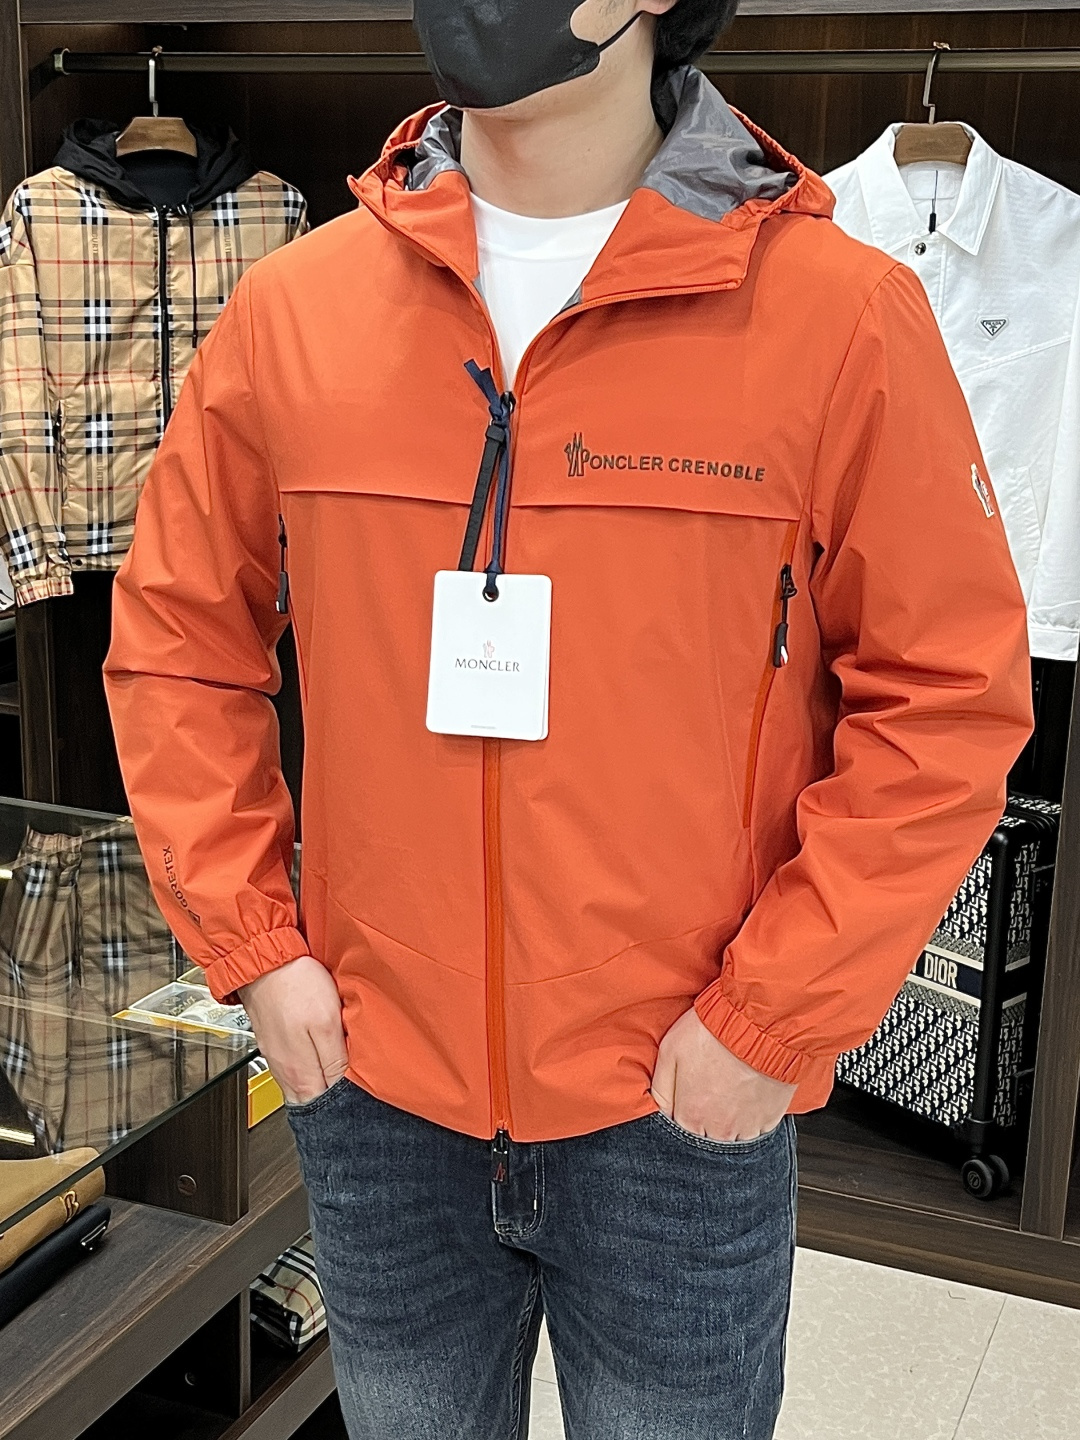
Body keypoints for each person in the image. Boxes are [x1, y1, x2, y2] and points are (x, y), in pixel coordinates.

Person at [104, 2, 1033, 1437]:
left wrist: (767, 1022)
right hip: (377, 1091)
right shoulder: (293, 311)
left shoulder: (839, 316)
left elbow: (947, 702)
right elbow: (177, 644)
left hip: (679, 1103)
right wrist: (257, 949)